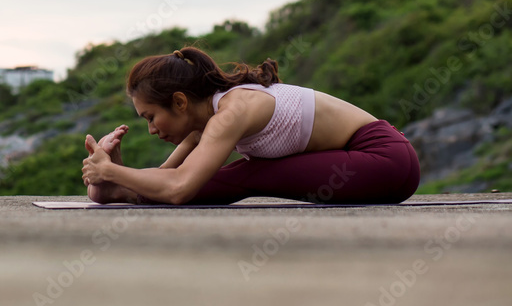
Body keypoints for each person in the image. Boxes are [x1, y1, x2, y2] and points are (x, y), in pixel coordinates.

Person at [81, 46, 420, 205]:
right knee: (236, 174)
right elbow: (167, 176)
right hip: (381, 166)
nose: (152, 129)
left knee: (251, 173)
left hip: (384, 160)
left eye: (151, 117)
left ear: (181, 101)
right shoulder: (209, 121)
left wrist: (111, 174)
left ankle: (118, 189)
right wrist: (123, 177)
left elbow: (178, 188)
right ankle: (119, 192)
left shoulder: (231, 113)